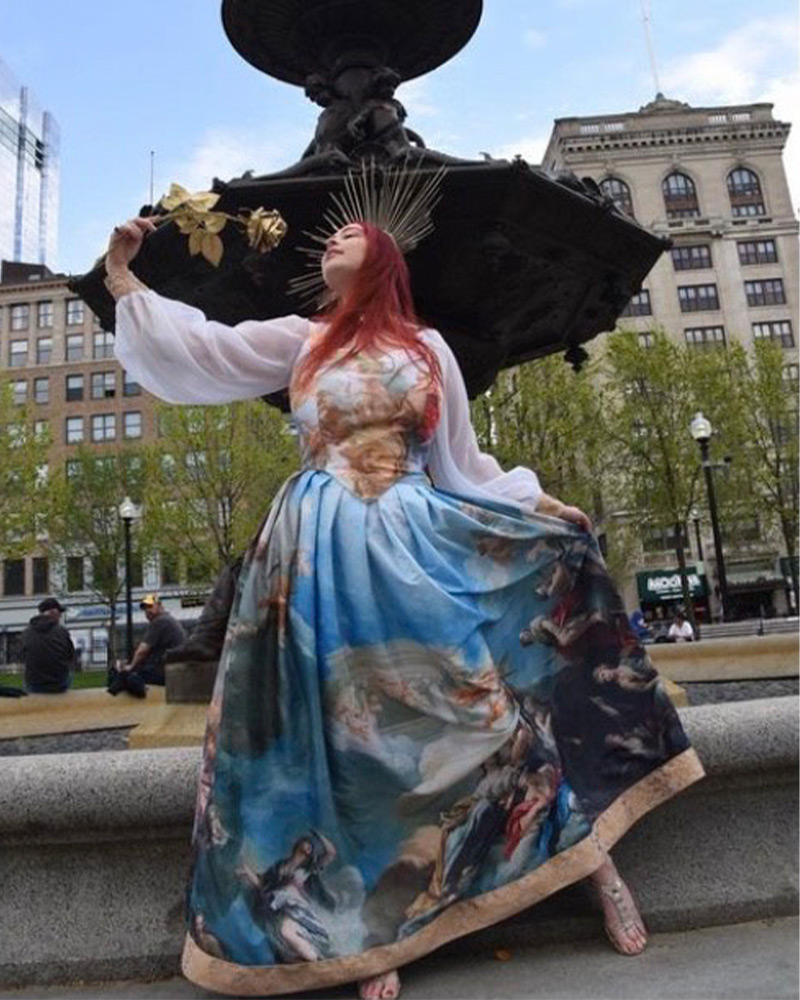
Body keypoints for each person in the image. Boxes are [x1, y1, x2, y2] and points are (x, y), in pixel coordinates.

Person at [105, 210, 704, 1000]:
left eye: (347, 236)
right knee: (347, 750)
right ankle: (364, 939)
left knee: (486, 717)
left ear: (382, 258)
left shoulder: (430, 352)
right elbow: (203, 349)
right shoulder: (303, 339)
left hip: (415, 548)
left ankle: (595, 869)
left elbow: (461, 461)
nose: (331, 243)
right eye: (329, 239)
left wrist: (543, 503)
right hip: (314, 561)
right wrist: (121, 275)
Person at [108, 594, 186, 696]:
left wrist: (131, 666)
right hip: (175, 671)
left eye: (150, 606)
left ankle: (111, 700)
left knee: (125, 676)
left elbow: (142, 651)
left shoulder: (160, 621)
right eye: (145, 608)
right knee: (128, 675)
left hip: (163, 672)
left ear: (159, 606)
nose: (147, 611)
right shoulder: (169, 620)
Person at [20, 597, 75, 694]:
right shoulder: (61, 631)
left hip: (34, 684)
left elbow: (23, 657)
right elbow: (71, 656)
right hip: (59, 684)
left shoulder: (26, 633)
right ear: (53, 612)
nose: (60, 616)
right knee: (70, 674)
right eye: (59, 613)